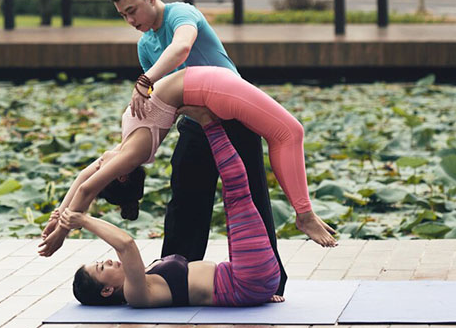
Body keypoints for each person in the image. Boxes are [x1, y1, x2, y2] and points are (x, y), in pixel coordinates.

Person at [106, 0, 290, 299]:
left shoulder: (182, 13)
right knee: (184, 198)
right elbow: (165, 103)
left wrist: (146, 79)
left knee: (251, 197)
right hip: (195, 122)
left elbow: (181, 48)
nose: (129, 20)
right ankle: (171, 275)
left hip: (236, 117)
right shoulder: (146, 45)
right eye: (122, 15)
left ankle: (273, 281)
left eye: (132, 10)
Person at [37, 65, 336, 260]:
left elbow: (82, 180)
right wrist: (64, 233)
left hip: (208, 83)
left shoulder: (123, 146)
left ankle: (304, 214)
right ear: (122, 176)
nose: (100, 161)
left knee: (287, 133)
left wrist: (58, 216)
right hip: (212, 87)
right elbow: (88, 189)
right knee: (289, 132)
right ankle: (304, 215)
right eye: (105, 168)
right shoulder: (134, 153)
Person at [65, 104, 333, 308]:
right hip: (247, 280)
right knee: (237, 191)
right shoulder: (136, 293)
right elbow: (126, 244)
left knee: (237, 191)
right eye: (102, 268)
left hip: (249, 279)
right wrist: (82, 219)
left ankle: (208, 123)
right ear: (106, 291)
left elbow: (122, 247)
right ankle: (207, 122)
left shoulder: (142, 277)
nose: (110, 260)